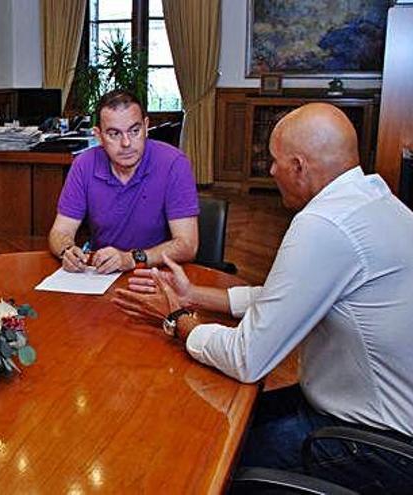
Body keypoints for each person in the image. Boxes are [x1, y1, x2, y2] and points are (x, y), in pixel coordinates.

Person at [112, 103, 413, 493]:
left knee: (203, 457)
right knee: (224, 415)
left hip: (374, 445)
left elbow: (247, 358)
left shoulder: (323, 225)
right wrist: (195, 293)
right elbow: (286, 296)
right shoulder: (375, 201)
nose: (270, 172)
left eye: (275, 162)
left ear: (299, 166)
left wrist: (178, 318)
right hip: (372, 417)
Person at [48, 89, 199, 275]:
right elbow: (59, 232)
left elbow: (187, 245)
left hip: (156, 271)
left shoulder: (174, 163)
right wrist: (67, 251)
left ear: (146, 126)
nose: (127, 143)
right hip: (100, 273)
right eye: (114, 134)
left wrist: (131, 259)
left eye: (134, 131)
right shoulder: (84, 164)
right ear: (99, 136)